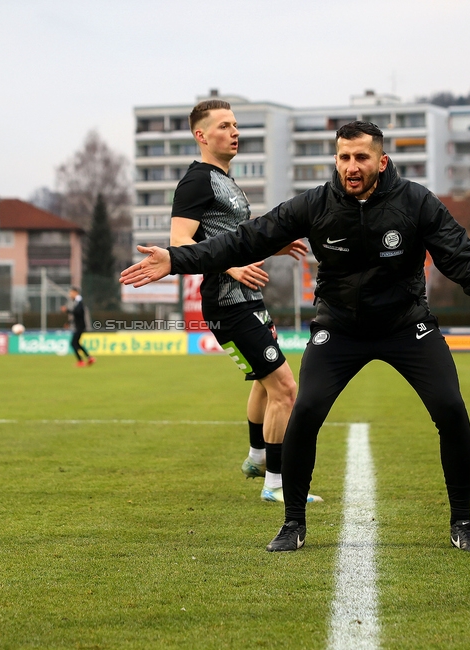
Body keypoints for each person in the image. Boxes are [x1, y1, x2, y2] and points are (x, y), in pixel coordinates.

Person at [122, 121, 470, 553]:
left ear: (381, 161)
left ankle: (463, 524)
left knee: (451, 409)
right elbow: (243, 241)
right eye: (343, 157)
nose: (351, 167)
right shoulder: (314, 204)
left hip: (406, 325)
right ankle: (293, 522)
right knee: (306, 409)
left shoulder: (416, 203)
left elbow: (468, 266)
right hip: (339, 327)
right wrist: (177, 259)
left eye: (361, 157)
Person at [170, 99, 319, 503]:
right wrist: (231, 267)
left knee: (268, 384)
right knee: (286, 389)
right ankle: (276, 484)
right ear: (201, 135)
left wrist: (270, 242)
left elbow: (235, 236)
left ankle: (256, 459)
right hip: (228, 304)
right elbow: (180, 242)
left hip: (248, 300)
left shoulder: (225, 179)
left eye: (235, 125)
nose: (234, 132)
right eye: (223, 126)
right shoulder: (197, 181)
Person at [63, 286, 94, 366]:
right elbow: (77, 315)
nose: (70, 294)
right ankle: (89, 358)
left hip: (80, 326)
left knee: (73, 343)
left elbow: (77, 312)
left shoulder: (79, 301)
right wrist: (69, 323)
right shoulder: (77, 301)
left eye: (71, 293)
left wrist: (67, 310)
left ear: (75, 292)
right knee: (77, 343)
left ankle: (80, 361)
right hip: (79, 326)